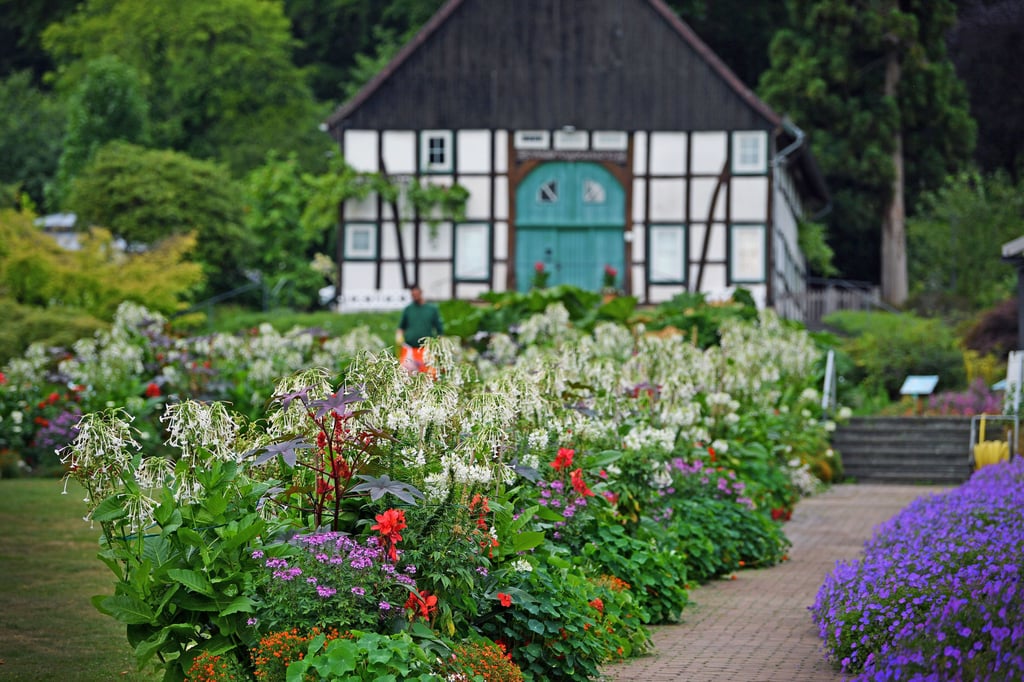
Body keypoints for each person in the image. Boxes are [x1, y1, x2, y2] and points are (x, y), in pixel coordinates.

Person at [397, 284, 443, 374]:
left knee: (428, 374)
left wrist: (439, 344)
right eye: (413, 295)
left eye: (416, 294)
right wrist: (399, 337)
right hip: (409, 348)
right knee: (407, 373)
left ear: (421, 293)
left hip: (426, 349)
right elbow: (401, 327)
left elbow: (439, 329)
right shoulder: (409, 309)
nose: (414, 297)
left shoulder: (431, 309)